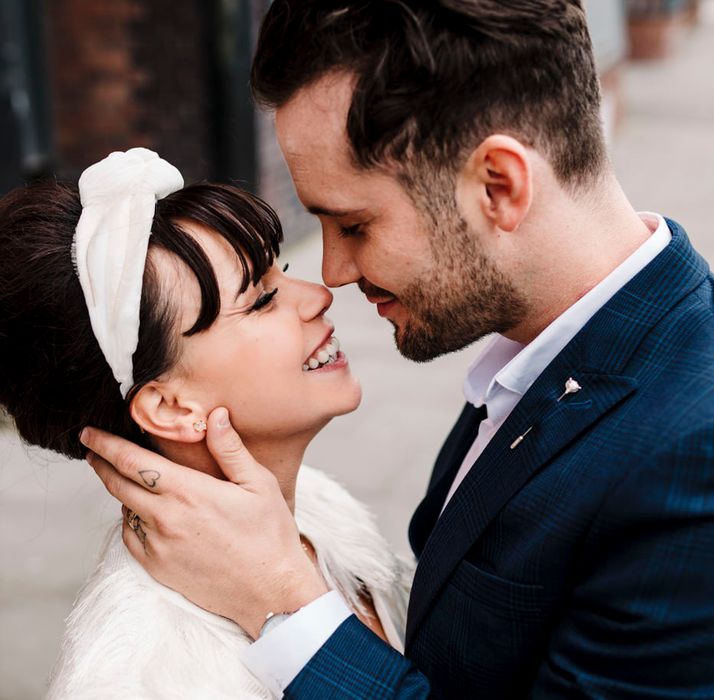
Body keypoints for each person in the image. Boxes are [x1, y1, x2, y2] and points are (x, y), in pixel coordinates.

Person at [81, 2, 714, 698]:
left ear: (498, 186)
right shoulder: (536, 359)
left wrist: (284, 600)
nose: (334, 275)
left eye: (353, 223)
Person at [0, 148, 411, 699]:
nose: (317, 296)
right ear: (171, 407)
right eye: (262, 300)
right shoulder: (140, 678)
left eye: (281, 271)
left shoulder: (317, 509)